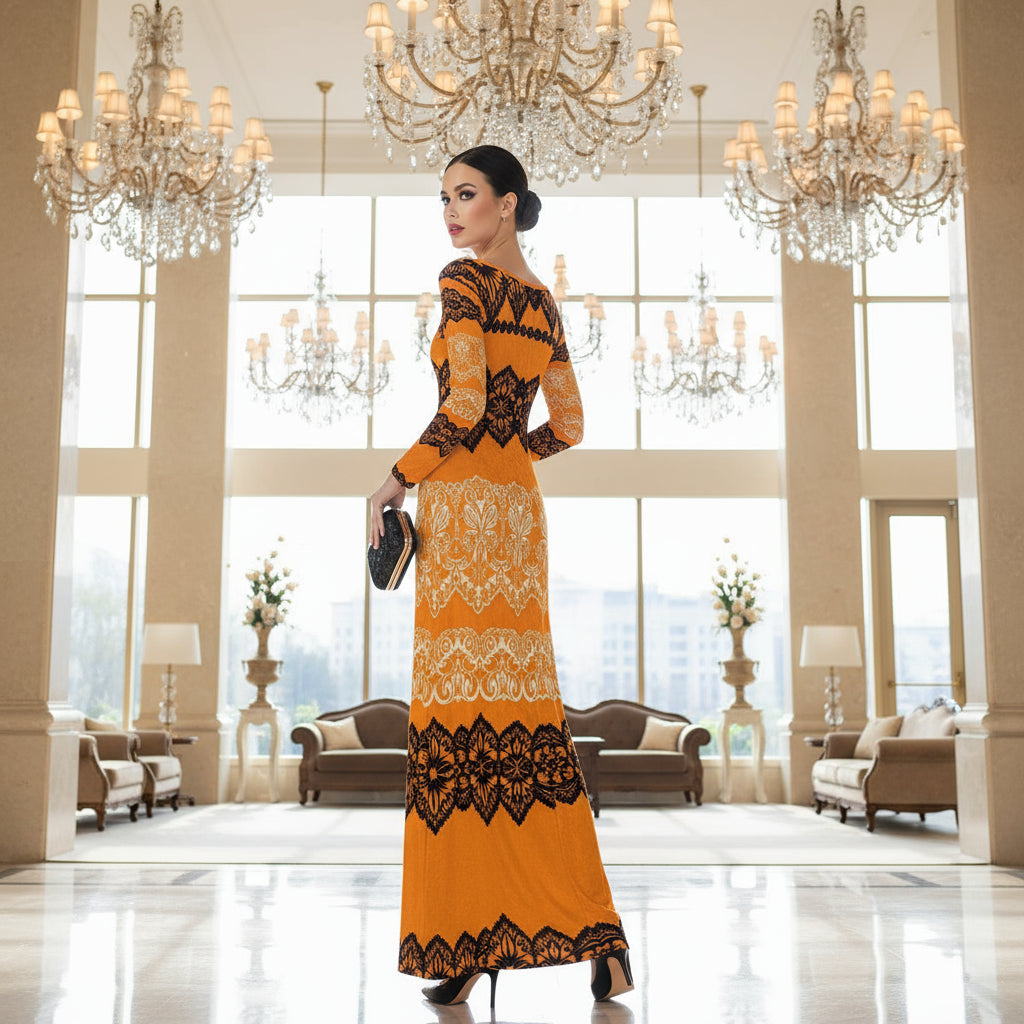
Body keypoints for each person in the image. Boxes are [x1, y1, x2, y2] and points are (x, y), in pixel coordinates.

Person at [368, 145, 632, 1010]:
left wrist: (398, 477)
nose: (451, 211)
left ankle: (466, 939)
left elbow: (464, 406)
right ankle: (601, 938)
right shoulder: (544, 301)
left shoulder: (465, 282)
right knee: (527, 730)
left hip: (465, 513)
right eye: (444, 197)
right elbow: (574, 425)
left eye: (467, 195)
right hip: (516, 514)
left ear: (507, 205)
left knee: (457, 729)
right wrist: (516, 456)